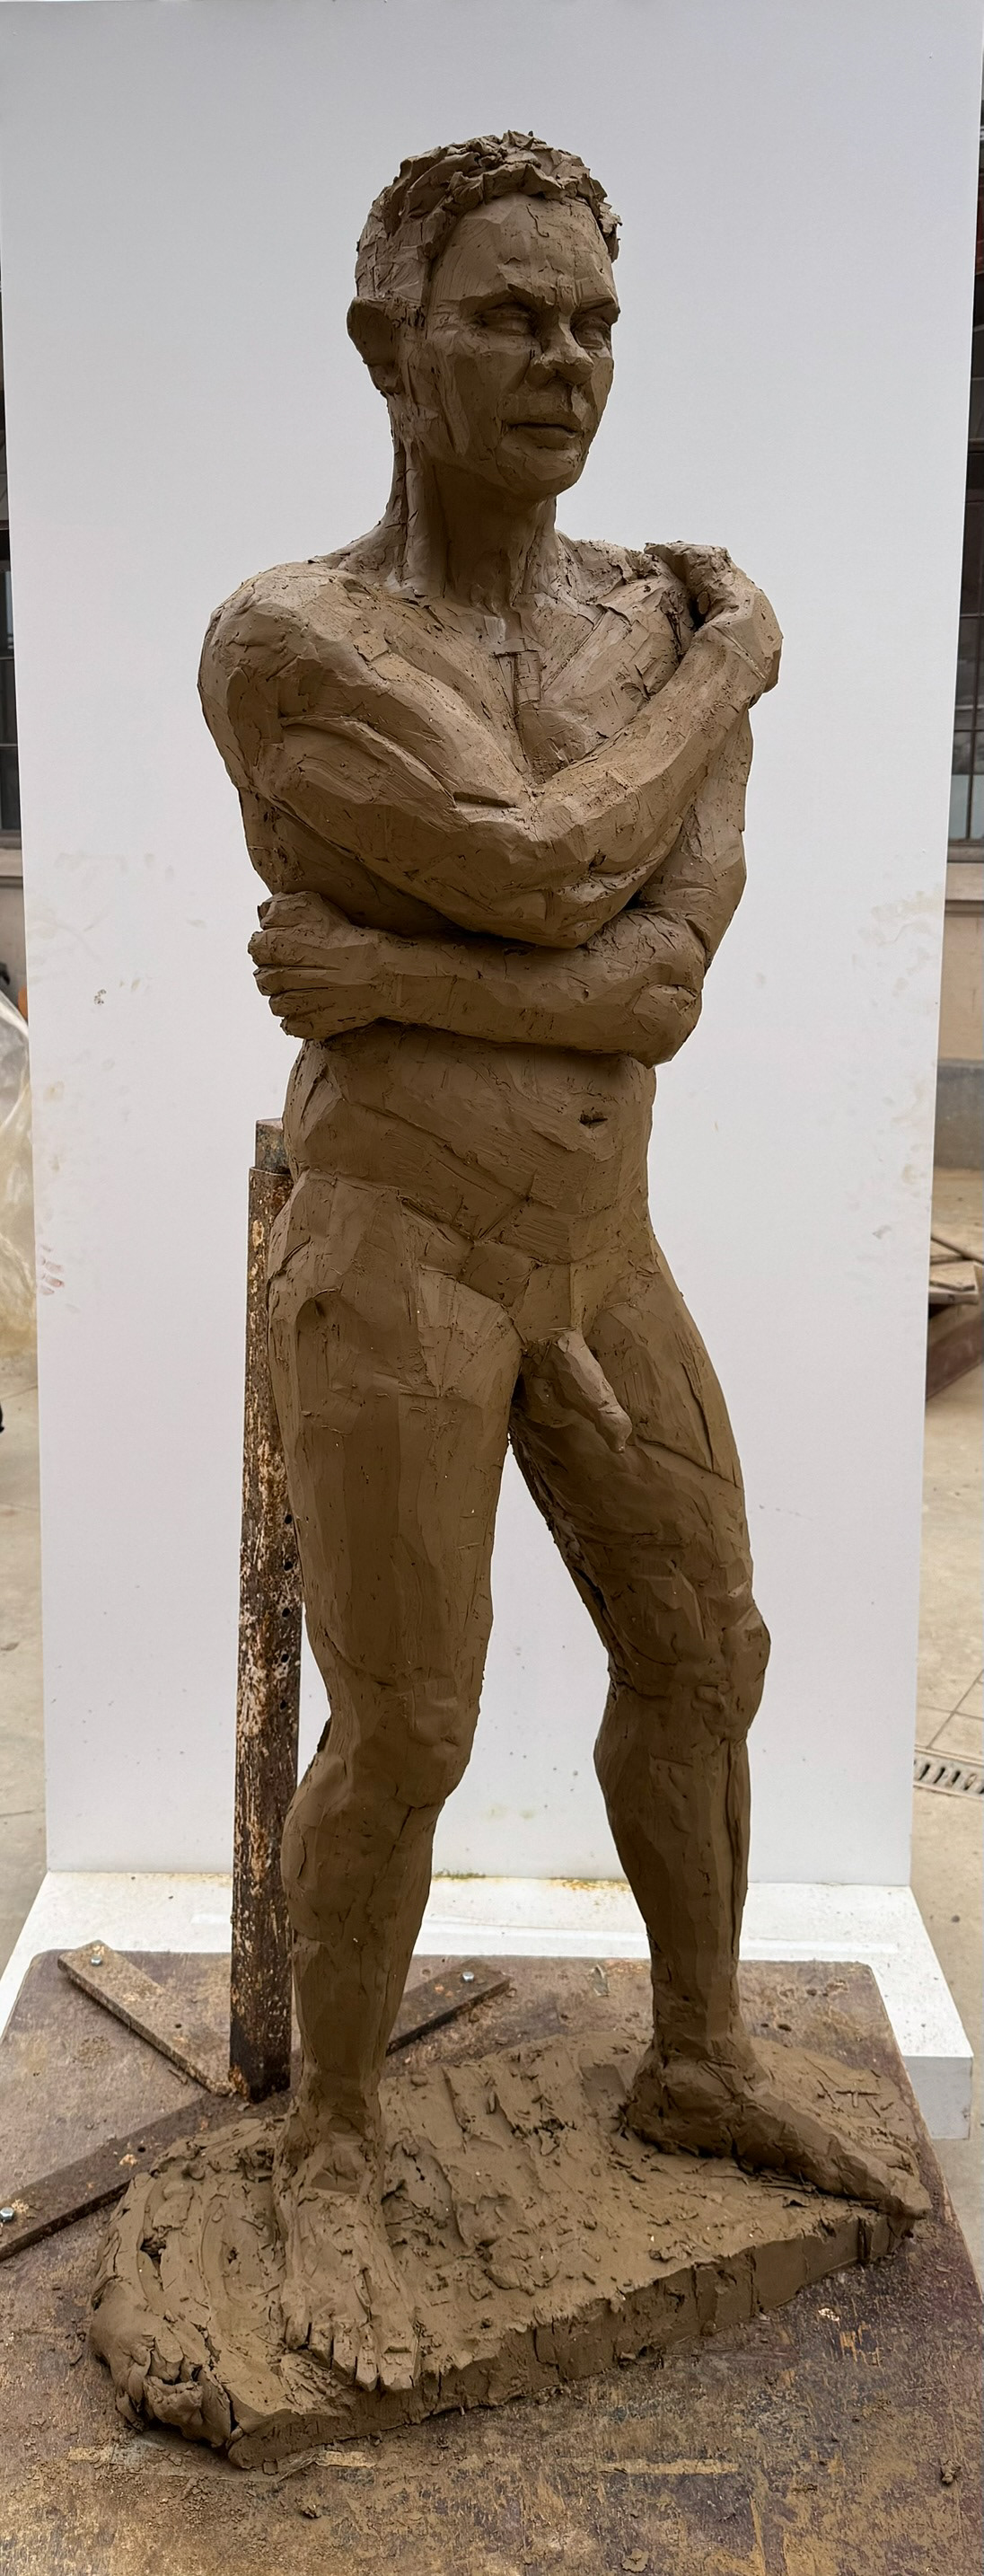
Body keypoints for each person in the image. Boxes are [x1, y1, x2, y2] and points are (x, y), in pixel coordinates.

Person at [199, 133, 923, 2398]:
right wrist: (739, 676)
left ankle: (694, 2057)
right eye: (509, 315)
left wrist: (385, 974)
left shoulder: (638, 616)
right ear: (386, 343)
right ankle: (330, 2138)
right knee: (409, 1722)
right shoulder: (294, 640)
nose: (564, 360)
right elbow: (538, 872)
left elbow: (661, 967)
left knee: (706, 1650)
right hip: (395, 1248)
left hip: (597, 1247)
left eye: (593, 321)